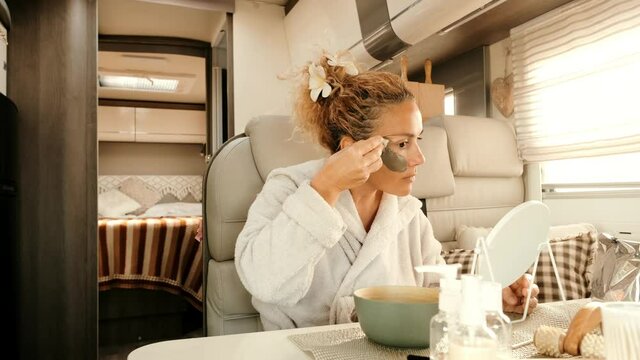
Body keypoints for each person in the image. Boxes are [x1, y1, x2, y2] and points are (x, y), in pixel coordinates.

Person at [235, 51, 538, 330]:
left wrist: (490, 298)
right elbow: (262, 280)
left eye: (418, 139)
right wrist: (325, 188)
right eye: (403, 144)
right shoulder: (288, 188)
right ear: (352, 148)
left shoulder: (406, 213)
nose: (420, 158)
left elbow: (435, 294)